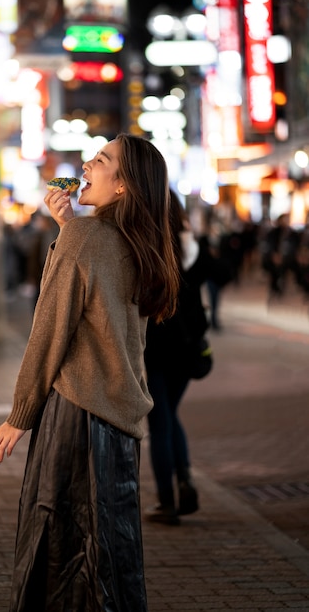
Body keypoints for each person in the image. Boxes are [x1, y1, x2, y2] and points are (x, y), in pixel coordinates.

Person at [0, 134, 180, 611]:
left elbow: (50, 328)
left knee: (57, 555)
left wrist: (20, 414)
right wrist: (69, 226)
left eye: (100, 160)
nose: (86, 166)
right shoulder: (141, 244)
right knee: (112, 557)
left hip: (75, 415)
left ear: (122, 186)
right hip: (121, 420)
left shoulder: (86, 238)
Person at [144, 192, 230, 525]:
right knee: (170, 416)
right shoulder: (188, 247)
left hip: (153, 349)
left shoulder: (147, 248)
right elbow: (223, 273)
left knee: (160, 423)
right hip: (186, 347)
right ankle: (185, 481)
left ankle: (167, 501)